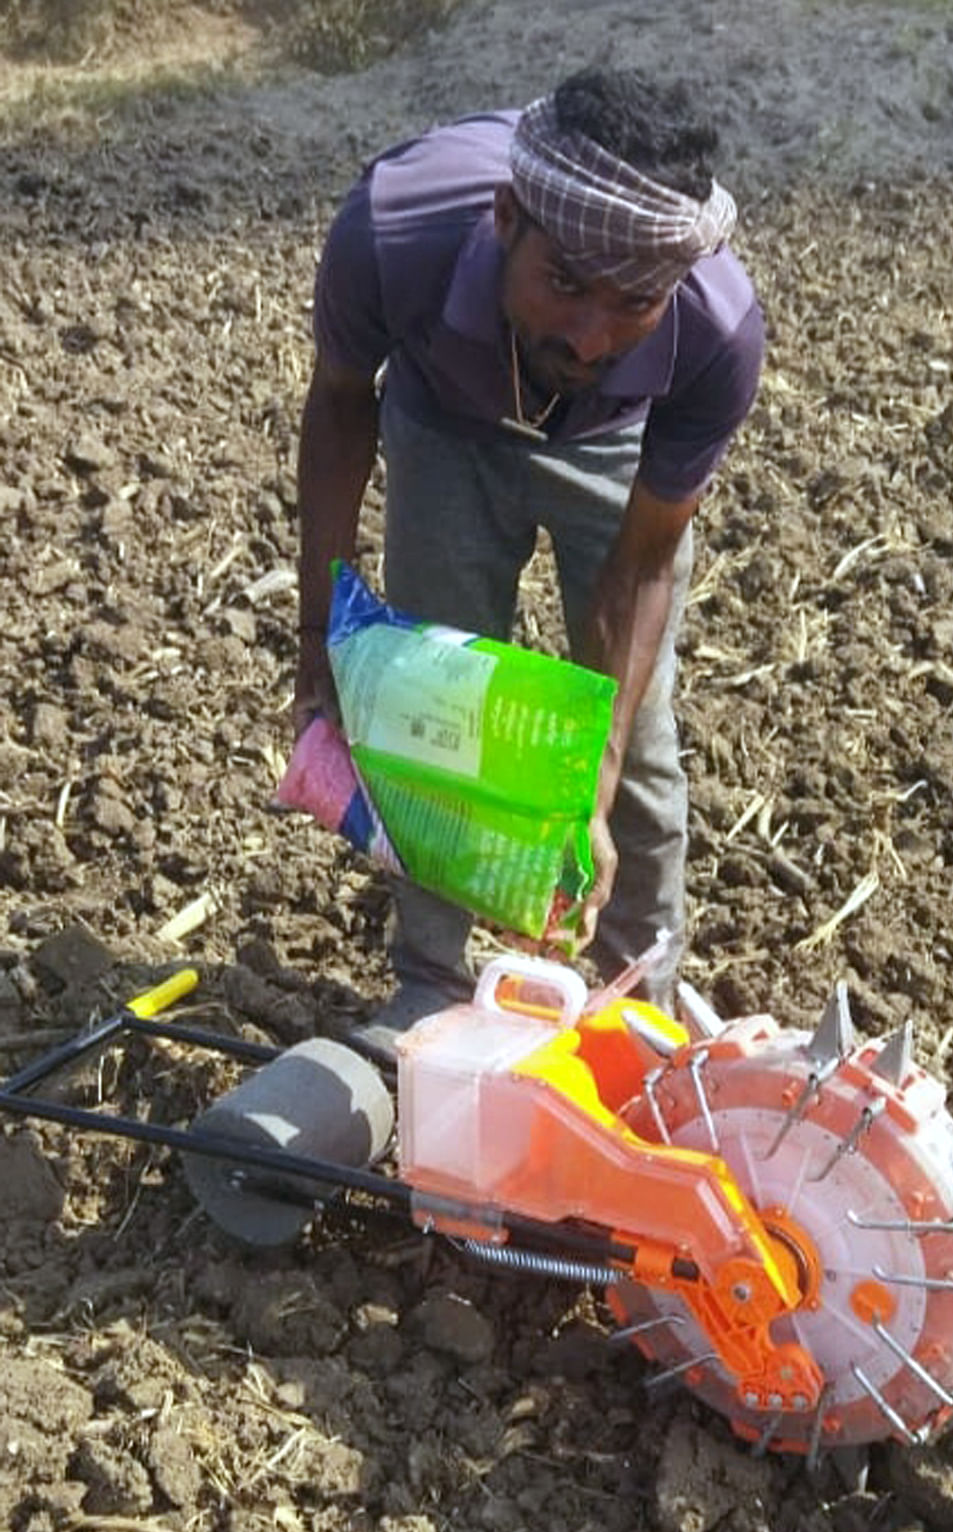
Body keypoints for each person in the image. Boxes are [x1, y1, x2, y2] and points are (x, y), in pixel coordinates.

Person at [293, 66, 764, 1032]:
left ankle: (639, 1002)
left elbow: (634, 572)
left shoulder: (716, 332)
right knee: (435, 712)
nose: (592, 338)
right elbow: (342, 406)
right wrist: (320, 640)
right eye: (565, 285)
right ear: (508, 218)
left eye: (633, 304)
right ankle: (428, 983)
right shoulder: (393, 228)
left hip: (610, 445)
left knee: (642, 744)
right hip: (442, 412)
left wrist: (591, 775)